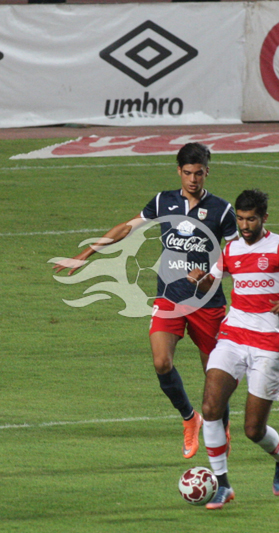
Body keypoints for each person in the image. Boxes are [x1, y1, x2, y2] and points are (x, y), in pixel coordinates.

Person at [53, 142, 238, 458]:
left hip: (208, 303)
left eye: (199, 173)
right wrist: (86, 254)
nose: (194, 179)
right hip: (169, 298)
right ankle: (189, 419)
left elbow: (238, 254)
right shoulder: (162, 201)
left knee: (215, 378)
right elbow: (127, 227)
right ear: (179, 171)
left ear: (208, 172)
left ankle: (220, 428)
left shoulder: (222, 210)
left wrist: (212, 275)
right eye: (188, 173)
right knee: (161, 362)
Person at [187, 189, 279, 510]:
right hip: (233, 337)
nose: (245, 225)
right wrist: (200, 280)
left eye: (251, 219)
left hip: (269, 345)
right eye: (241, 218)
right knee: (210, 408)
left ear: (264, 218)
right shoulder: (231, 248)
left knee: (252, 429)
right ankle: (222, 485)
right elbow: (214, 282)